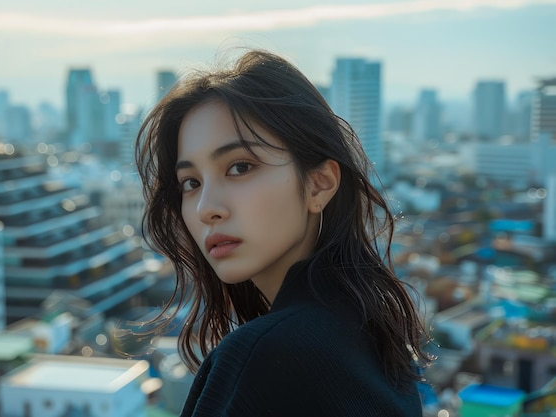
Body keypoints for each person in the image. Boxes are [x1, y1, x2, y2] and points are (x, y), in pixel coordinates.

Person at [134, 49, 429, 416]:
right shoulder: (375, 337)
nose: (206, 207)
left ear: (319, 185)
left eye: (240, 167)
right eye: (190, 182)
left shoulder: (265, 357)